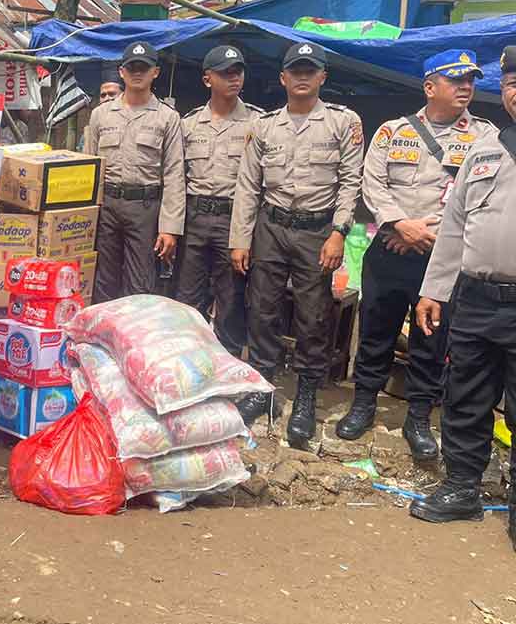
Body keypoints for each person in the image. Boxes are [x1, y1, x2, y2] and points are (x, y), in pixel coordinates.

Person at [336, 49, 496, 460]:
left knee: (431, 338)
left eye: (471, 81)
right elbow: (372, 184)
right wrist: (398, 224)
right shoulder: (392, 132)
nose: (466, 87)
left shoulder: (484, 137)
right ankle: (363, 403)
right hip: (389, 248)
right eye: (456, 79)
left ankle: (419, 417)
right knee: (376, 331)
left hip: (440, 258)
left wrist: (427, 234)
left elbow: (478, 197)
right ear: (429, 86)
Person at [230, 41, 364, 444]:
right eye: (296, 70)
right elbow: (248, 186)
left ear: (322, 76)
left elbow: (350, 181)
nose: (303, 77)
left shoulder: (343, 122)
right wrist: (241, 239)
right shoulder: (265, 126)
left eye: (311, 70)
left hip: (316, 231)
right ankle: (264, 391)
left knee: (313, 317)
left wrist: (339, 231)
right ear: (283, 78)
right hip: (270, 227)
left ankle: (305, 397)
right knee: (263, 311)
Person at [410, 45, 516, 548]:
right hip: (476, 299)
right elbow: (453, 228)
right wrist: (435, 290)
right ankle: (461, 488)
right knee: (466, 397)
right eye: (512, 84)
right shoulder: (484, 150)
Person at [176, 45, 262, 356]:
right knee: (187, 297)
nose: (234, 78)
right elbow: (177, 177)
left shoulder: (257, 123)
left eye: (237, 72)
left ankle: (225, 366)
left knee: (231, 300)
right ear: (207, 79)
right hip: (195, 219)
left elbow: (259, 183)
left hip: (233, 221)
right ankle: (186, 360)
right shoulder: (188, 124)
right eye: (225, 73)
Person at [82, 41, 185, 300]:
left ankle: (132, 339)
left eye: (144, 67)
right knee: (104, 281)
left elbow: (174, 174)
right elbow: (88, 167)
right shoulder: (101, 115)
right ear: (122, 71)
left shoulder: (167, 117)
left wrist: (169, 227)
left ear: (155, 72)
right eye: (132, 67)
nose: (137, 73)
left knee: (140, 283)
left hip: (145, 207)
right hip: (107, 206)